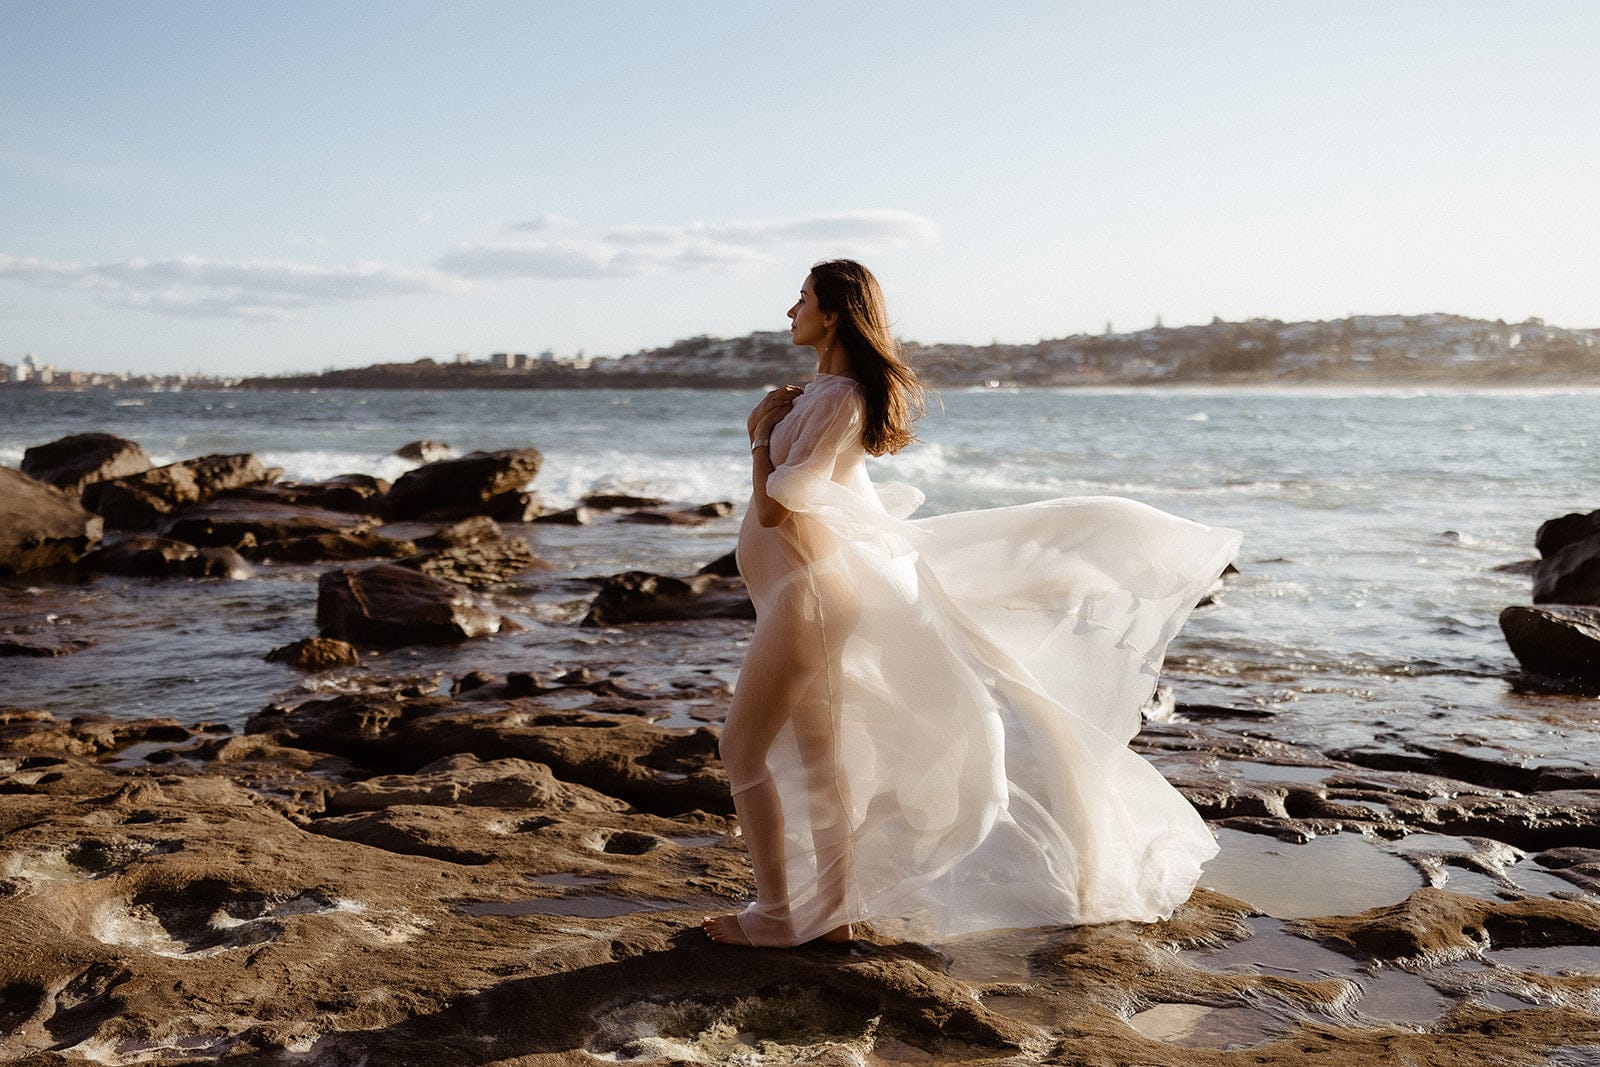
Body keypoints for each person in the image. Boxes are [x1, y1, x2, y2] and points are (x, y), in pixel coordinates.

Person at [702, 260, 1241, 948]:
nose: (790, 311)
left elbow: (780, 507)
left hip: (807, 595)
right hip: (798, 592)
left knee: (741, 745)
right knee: (818, 756)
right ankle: (829, 910)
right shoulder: (817, 394)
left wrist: (755, 437)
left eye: (801, 298)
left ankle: (778, 915)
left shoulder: (839, 399)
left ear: (833, 311)